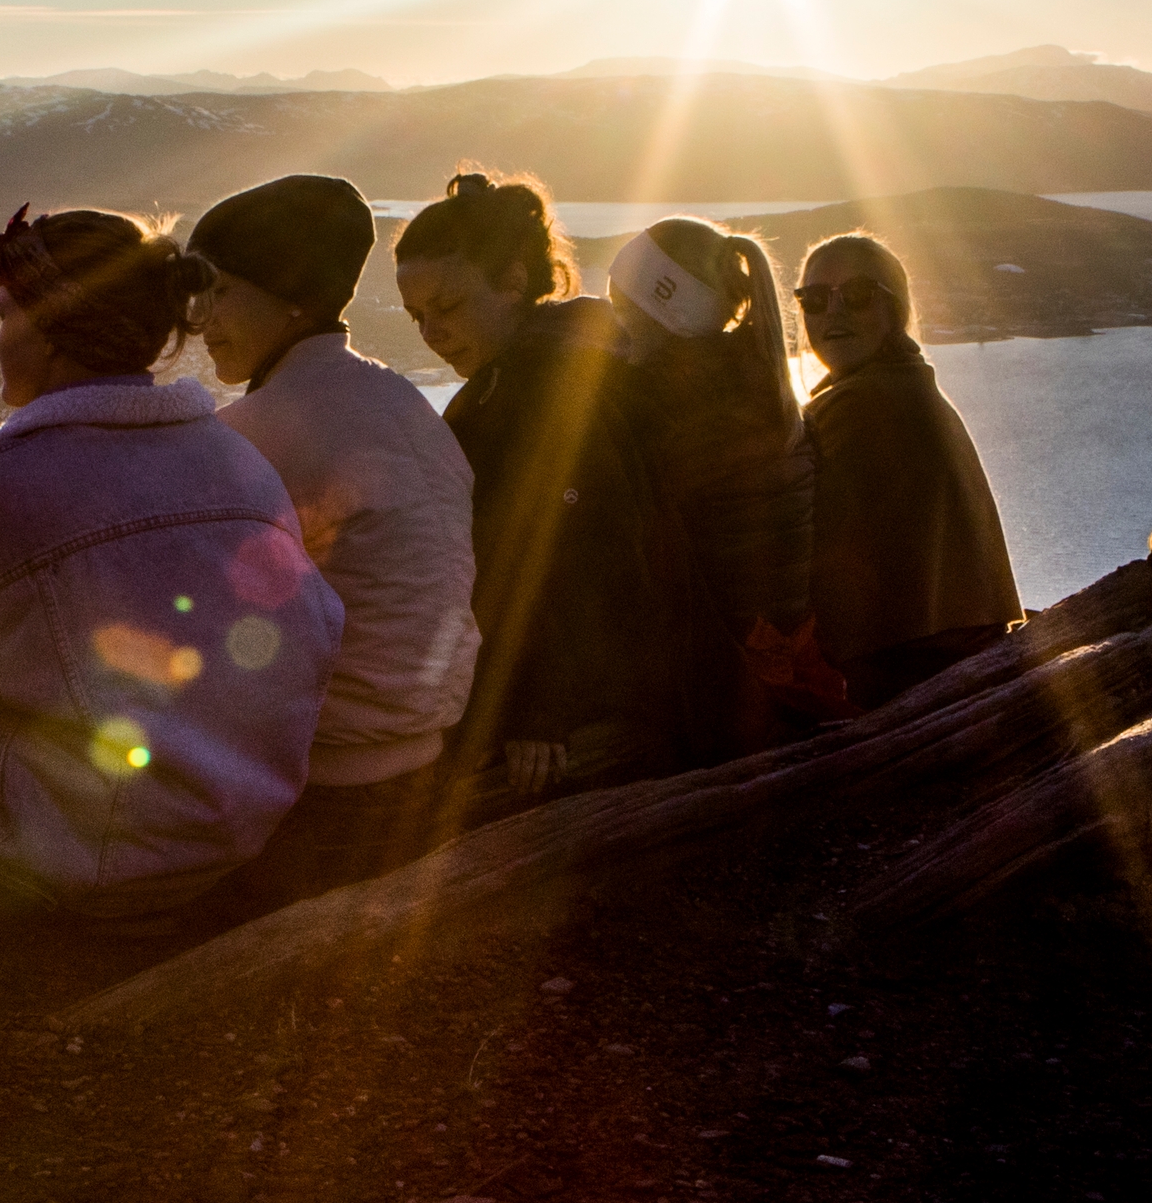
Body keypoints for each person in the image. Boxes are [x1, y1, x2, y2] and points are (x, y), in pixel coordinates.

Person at [0, 207, 343, 924]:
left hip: (74, 858)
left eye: (5, 316)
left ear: (55, 331)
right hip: (234, 835)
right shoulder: (240, 464)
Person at [393, 170, 738, 808]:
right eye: (416, 316)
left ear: (514, 282)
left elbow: (556, 553)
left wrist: (532, 710)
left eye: (448, 308)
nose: (431, 334)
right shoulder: (592, 348)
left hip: (592, 704)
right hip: (660, 674)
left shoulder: (527, 395)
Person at [186, 173, 480, 904]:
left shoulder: (257, 432)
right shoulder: (400, 401)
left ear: (289, 296)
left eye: (222, 292)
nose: (202, 319)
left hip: (330, 790)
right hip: (422, 759)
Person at [606, 215, 827, 732]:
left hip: (723, 684)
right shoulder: (755, 388)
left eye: (620, 309)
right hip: (782, 657)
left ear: (669, 310)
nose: (609, 327)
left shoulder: (667, 410)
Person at [794, 230, 1021, 708]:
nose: (832, 312)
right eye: (814, 298)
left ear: (892, 309)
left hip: (909, 678)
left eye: (856, 294)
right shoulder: (907, 386)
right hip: (949, 659)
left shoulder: (862, 403)